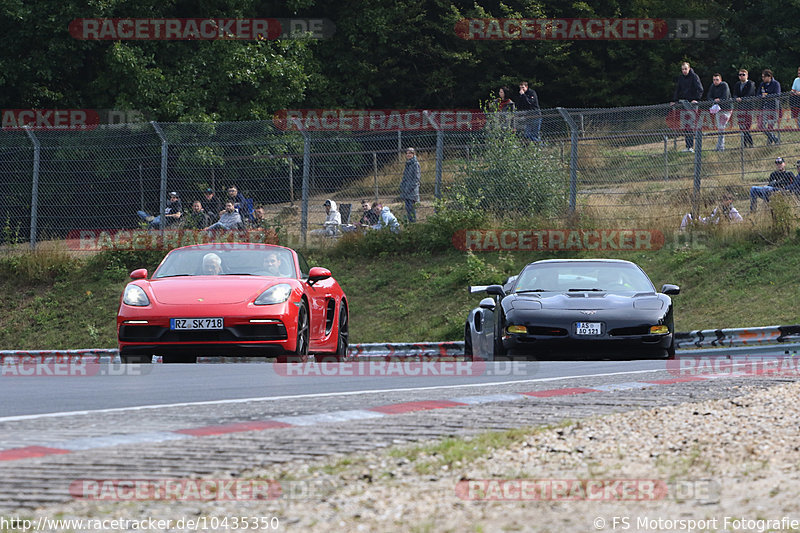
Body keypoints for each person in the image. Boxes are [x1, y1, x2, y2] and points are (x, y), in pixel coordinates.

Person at [671, 61, 704, 152]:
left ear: (689, 68)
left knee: (692, 125)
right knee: (686, 125)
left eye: (685, 69)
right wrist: (675, 100)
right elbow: (678, 89)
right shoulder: (681, 78)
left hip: (692, 104)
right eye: (682, 69)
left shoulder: (694, 76)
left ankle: (694, 147)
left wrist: (696, 99)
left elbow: (700, 89)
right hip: (684, 104)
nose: (684, 71)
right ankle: (688, 146)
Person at [707, 73, 732, 151]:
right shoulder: (712, 86)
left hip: (726, 109)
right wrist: (714, 100)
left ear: (720, 80)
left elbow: (725, 96)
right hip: (718, 109)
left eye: (717, 79)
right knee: (720, 128)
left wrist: (718, 100)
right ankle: (719, 147)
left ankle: (721, 147)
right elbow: (709, 96)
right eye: (714, 80)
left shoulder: (724, 85)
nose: (715, 81)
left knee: (721, 127)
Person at [733, 69, 756, 148]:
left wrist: (742, 99)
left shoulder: (751, 84)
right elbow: (735, 93)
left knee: (747, 126)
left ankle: (750, 143)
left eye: (743, 75)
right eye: (740, 75)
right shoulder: (737, 84)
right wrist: (736, 98)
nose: (741, 76)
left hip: (749, 108)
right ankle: (744, 144)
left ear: (747, 76)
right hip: (740, 108)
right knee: (741, 126)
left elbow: (749, 93)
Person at [758, 69, 781, 145]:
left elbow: (777, 94)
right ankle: (774, 138)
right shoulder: (762, 84)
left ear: (769, 76)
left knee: (770, 126)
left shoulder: (776, 84)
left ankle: (770, 141)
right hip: (764, 108)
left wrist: (767, 95)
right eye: (762, 77)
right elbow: (757, 94)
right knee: (760, 125)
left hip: (773, 108)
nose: (763, 78)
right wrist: (761, 96)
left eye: (764, 77)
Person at [400, 147, 421, 222]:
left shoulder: (415, 164)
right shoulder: (408, 164)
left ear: (413, 154)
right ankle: (410, 224)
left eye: (410, 153)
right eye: (407, 153)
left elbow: (416, 178)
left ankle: (413, 225)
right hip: (406, 190)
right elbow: (404, 177)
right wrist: (402, 186)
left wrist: (410, 188)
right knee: (408, 209)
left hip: (412, 191)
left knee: (412, 210)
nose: (408, 155)